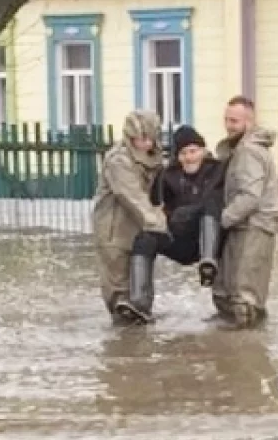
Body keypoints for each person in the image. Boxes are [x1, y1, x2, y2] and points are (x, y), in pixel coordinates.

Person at [211, 96, 278, 327]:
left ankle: (249, 346)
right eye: (226, 119)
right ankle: (239, 344)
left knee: (244, 299)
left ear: (249, 122)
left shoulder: (248, 151)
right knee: (227, 293)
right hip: (243, 227)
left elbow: (250, 197)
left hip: (253, 228)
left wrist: (221, 220)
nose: (228, 125)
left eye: (234, 121)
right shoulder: (242, 149)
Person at [93, 110, 168, 324]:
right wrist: (159, 225)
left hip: (139, 231)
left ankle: (140, 333)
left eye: (149, 138)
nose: (145, 143)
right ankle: (122, 337)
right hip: (113, 232)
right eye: (140, 139)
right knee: (119, 291)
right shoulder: (118, 160)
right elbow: (131, 196)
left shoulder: (154, 157)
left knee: (141, 289)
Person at [151, 124, 227, 286]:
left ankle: (208, 264)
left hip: (214, 237)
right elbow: (155, 206)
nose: (189, 157)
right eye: (183, 153)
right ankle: (138, 296)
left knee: (211, 204)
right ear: (177, 157)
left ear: (203, 151)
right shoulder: (168, 176)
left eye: (193, 151)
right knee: (144, 239)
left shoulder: (218, 170)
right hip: (182, 235)